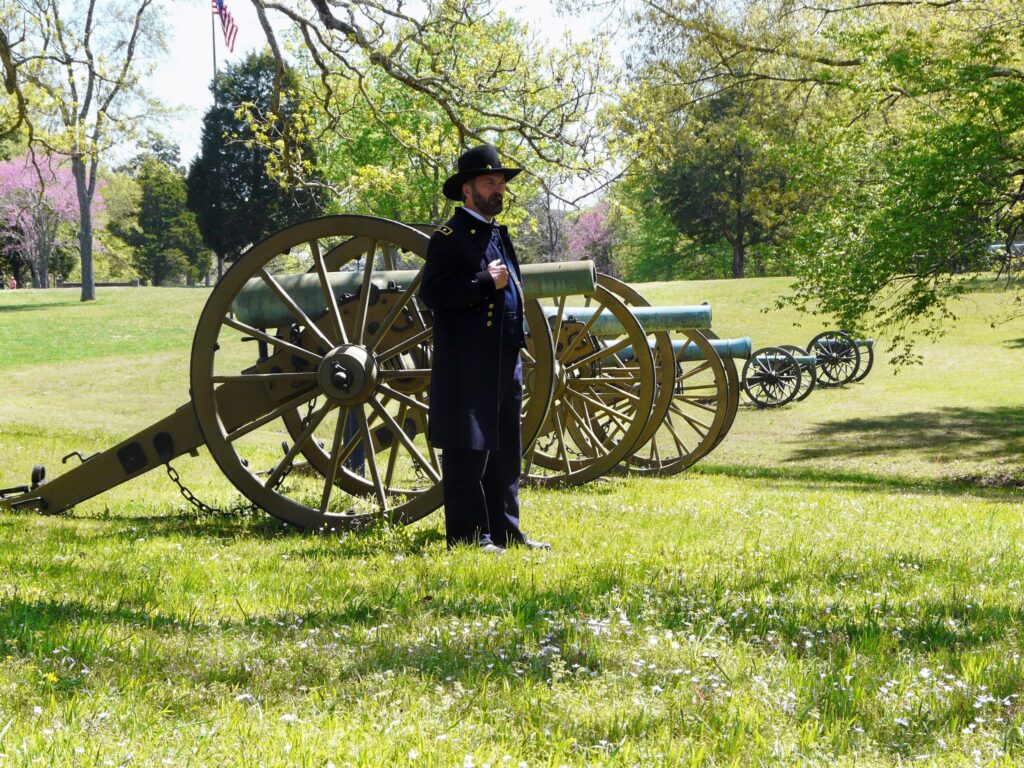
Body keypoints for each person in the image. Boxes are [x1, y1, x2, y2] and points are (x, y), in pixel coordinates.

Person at [418, 144, 551, 554]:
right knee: (468, 451)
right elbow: (433, 294)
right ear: (467, 191)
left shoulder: (498, 234)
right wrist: (482, 282)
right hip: (468, 362)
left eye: (500, 184)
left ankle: (507, 532)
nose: (498, 190)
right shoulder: (448, 237)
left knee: (505, 451)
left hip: (503, 358)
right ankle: (470, 537)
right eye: (489, 183)